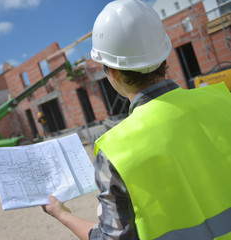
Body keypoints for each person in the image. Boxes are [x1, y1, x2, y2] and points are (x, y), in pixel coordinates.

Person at [42, 0, 231, 239]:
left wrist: (63, 215)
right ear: (164, 55)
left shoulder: (116, 152)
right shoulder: (224, 100)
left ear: (111, 72)